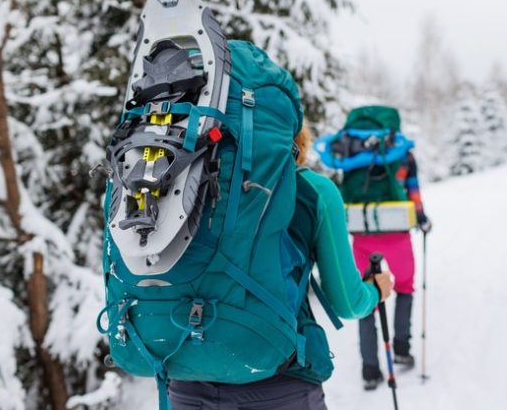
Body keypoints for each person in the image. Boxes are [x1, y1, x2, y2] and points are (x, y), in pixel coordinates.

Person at [168, 126, 395, 409]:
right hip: (282, 381)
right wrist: (374, 290)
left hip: (186, 382)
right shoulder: (314, 190)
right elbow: (348, 303)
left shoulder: (177, 179)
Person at [353, 150, 432, 390]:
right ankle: (401, 350)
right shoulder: (404, 156)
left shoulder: (353, 153)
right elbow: (413, 192)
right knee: (405, 287)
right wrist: (422, 219)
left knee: (366, 299)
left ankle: (370, 370)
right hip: (397, 234)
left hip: (362, 234)